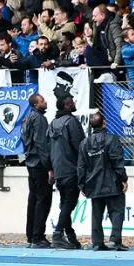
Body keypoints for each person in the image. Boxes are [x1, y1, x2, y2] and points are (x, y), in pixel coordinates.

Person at [77, 112, 128, 252]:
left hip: (93, 183)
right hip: (112, 182)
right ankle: (115, 240)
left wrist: (82, 184)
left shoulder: (84, 143)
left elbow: (81, 166)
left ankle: (98, 242)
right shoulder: (112, 140)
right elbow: (117, 162)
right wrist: (123, 179)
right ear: (104, 123)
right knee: (117, 211)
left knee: (97, 214)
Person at [48, 94, 86, 250]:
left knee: (65, 204)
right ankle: (58, 234)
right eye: (71, 102)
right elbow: (81, 146)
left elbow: (47, 147)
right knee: (69, 203)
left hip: (58, 169)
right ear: (66, 105)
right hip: (71, 169)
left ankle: (70, 236)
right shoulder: (71, 122)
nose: (74, 103)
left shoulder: (52, 124)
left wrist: (51, 169)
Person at [21, 93, 53, 249]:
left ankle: (31, 234)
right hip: (39, 164)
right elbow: (41, 143)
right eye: (42, 101)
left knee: (33, 199)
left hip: (30, 163)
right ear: (36, 104)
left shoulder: (27, 118)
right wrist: (49, 167)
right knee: (43, 200)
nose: (45, 102)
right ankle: (38, 236)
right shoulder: (39, 119)